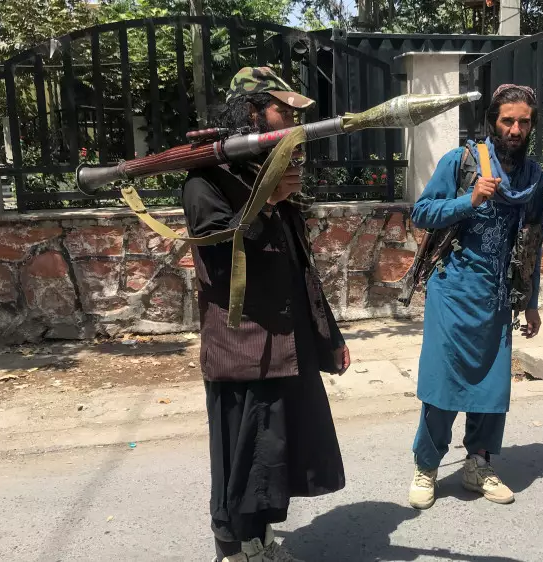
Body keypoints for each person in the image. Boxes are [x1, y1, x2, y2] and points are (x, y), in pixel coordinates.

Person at [181, 67, 350, 562]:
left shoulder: (270, 175)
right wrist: (266, 202)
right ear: (252, 113)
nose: (294, 124)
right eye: (284, 111)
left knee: (272, 456)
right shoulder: (205, 181)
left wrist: (330, 336)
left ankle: (261, 540)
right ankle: (233, 549)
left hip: (287, 344)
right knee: (240, 457)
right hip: (243, 348)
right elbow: (218, 260)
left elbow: (300, 266)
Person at [406, 84, 543, 510]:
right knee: (442, 384)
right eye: (508, 121)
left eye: (524, 122)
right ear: (492, 122)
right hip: (452, 292)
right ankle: (427, 466)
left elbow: (533, 241)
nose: (516, 130)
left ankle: (478, 464)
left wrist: (530, 301)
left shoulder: (533, 178)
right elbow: (422, 212)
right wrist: (469, 200)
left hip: (497, 297)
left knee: (491, 389)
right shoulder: (461, 161)